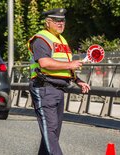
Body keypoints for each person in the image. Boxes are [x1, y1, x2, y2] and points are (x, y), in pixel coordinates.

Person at [27, 8, 90, 155]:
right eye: (57, 21)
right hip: (44, 88)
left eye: (63, 20)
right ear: (48, 22)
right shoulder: (41, 39)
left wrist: (78, 80)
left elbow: (65, 66)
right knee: (50, 131)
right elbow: (44, 63)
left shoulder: (61, 40)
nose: (61, 23)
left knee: (52, 133)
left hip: (58, 90)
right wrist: (70, 65)